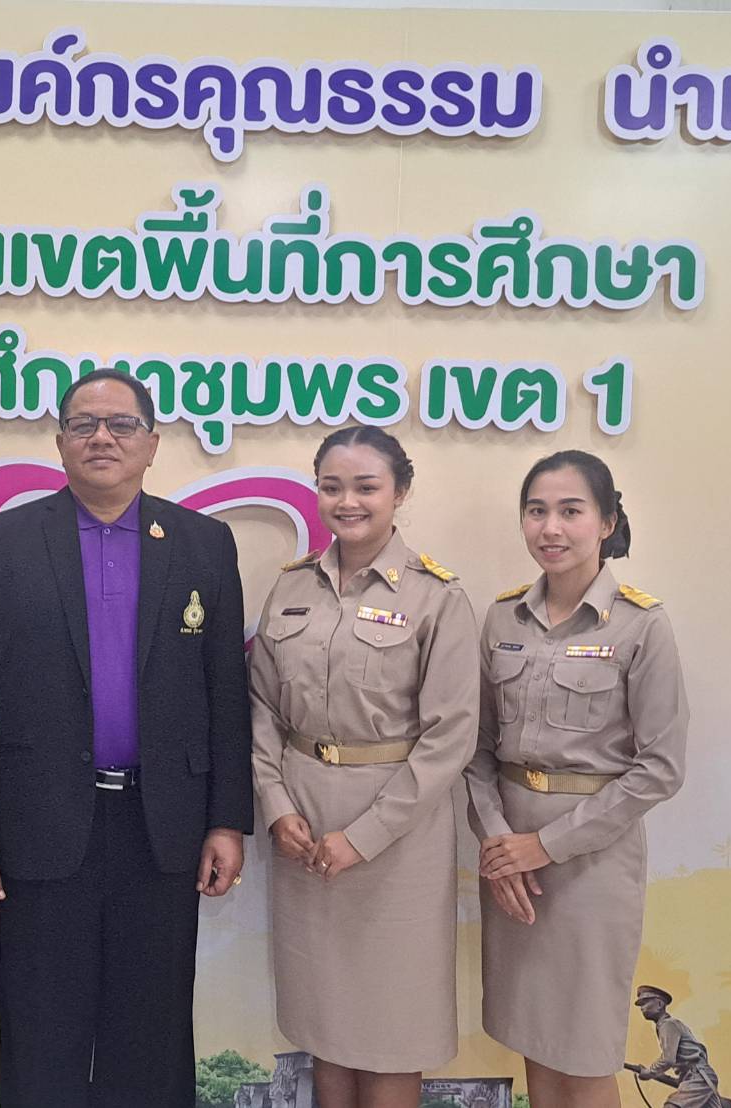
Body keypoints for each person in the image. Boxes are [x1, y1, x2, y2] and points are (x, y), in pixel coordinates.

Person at [0, 368, 254, 1108]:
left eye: (121, 424)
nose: (102, 437)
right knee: (40, 1032)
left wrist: (226, 820)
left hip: (163, 828)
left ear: (152, 442)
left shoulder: (203, 543)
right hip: (41, 826)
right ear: (60, 442)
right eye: (83, 424)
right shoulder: (2, 543)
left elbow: (225, 694)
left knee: (150, 1037)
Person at [248, 426, 478, 1108]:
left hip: (397, 837)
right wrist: (276, 806)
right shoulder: (291, 586)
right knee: (324, 1021)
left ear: (399, 492)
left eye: (366, 487)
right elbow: (260, 708)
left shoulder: (437, 596)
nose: (347, 501)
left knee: (391, 1028)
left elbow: (450, 737)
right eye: (332, 487)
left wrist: (365, 836)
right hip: (303, 826)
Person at [464, 450, 689, 1108]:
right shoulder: (502, 618)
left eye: (570, 511)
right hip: (509, 861)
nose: (550, 528)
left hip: (590, 864)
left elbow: (659, 768)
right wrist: (499, 845)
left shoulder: (640, 624)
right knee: (534, 1039)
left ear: (607, 521)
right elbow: (477, 750)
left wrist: (544, 846)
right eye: (536, 511)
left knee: (585, 1048)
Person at [634, 985, 728, 1108]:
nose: (642, 1008)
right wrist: (657, 1075)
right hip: (696, 1077)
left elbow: (668, 1060)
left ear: (659, 1004)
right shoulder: (669, 1025)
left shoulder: (667, 1025)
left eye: (645, 1003)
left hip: (698, 1078)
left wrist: (649, 1072)